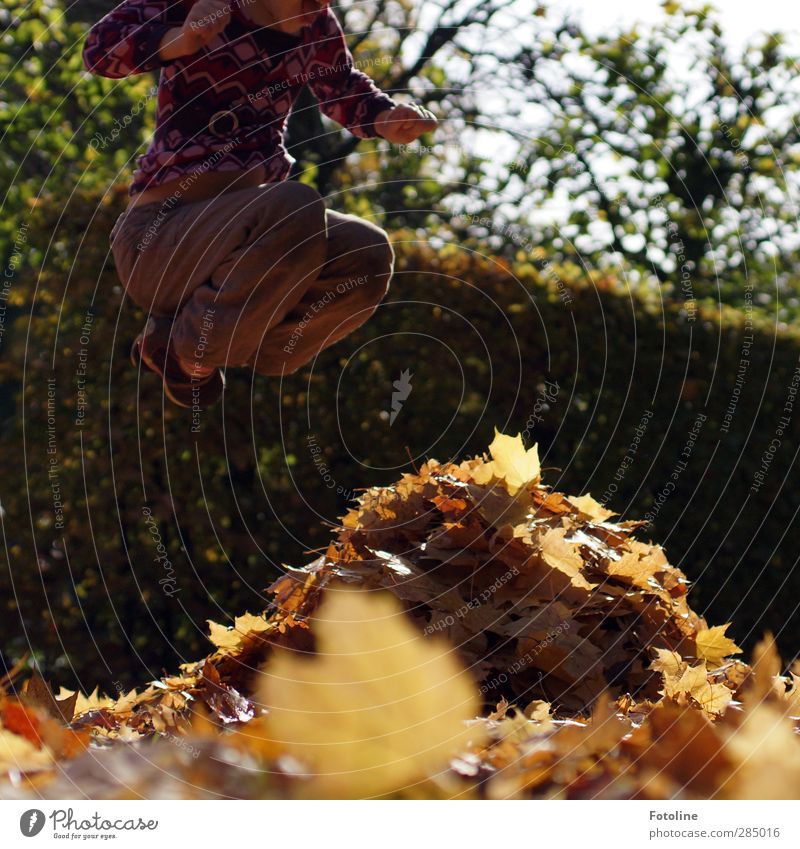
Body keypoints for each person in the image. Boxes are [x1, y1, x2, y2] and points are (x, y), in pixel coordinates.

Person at [83, 0, 437, 407]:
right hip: (160, 241)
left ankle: (222, 343)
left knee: (367, 251)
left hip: (238, 247)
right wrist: (182, 39)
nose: (323, 5)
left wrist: (385, 119)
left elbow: (341, 85)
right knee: (294, 205)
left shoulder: (315, 25)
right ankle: (191, 353)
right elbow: (99, 50)